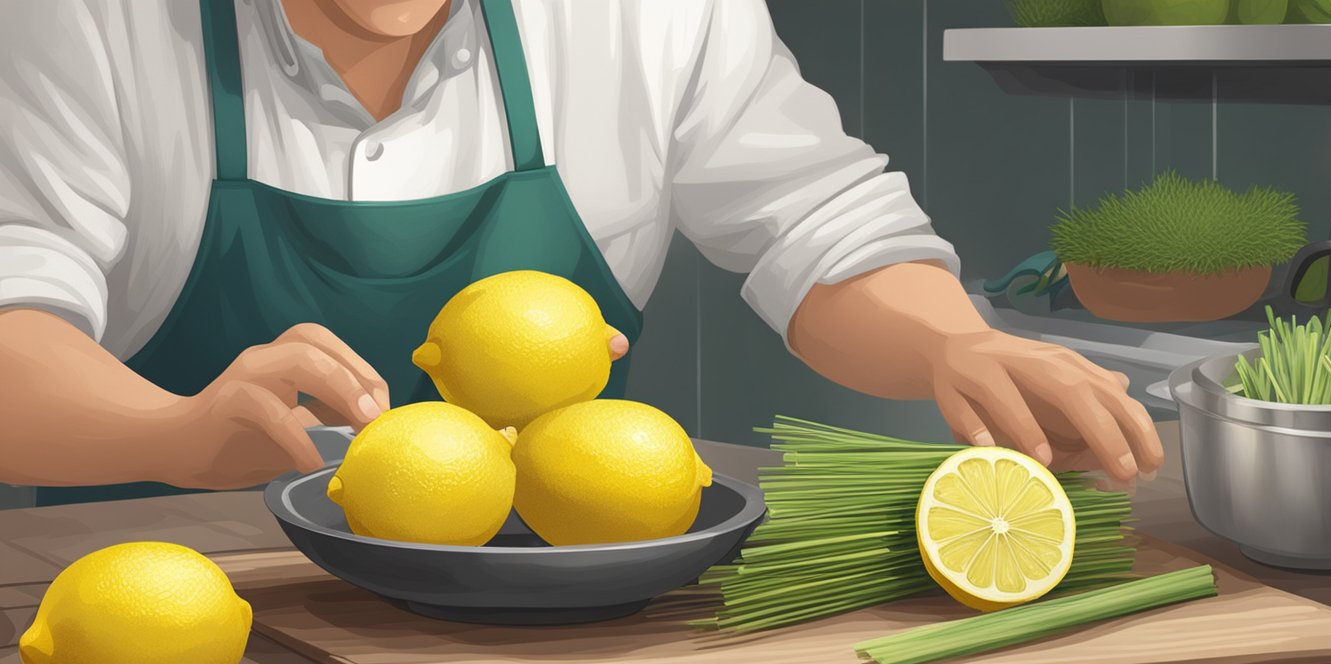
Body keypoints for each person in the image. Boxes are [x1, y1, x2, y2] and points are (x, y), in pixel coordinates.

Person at [0, 0, 1162, 504]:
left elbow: (816, 219)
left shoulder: (648, 18)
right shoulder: (87, 23)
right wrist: (172, 434)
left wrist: (954, 342)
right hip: (177, 602)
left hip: (558, 596)